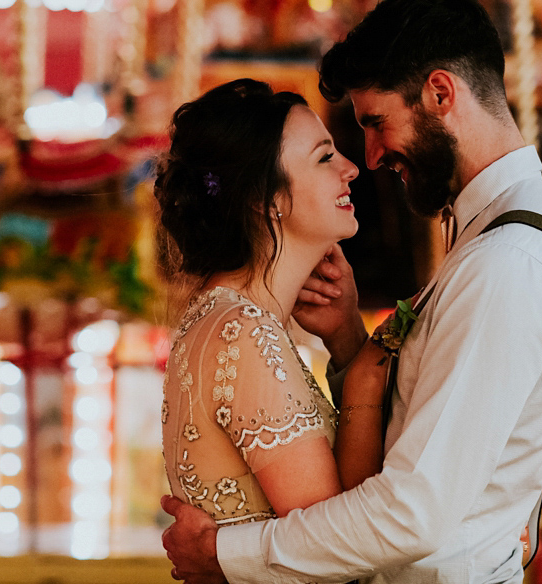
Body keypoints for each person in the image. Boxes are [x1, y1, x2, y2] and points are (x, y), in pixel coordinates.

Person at [161, 0, 542, 584]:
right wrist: (348, 344)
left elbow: (412, 512)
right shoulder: (486, 242)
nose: (366, 159)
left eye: (376, 122)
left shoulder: (510, 262)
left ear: (440, 94)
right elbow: (417, 443)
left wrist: (225, 556)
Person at [156, 80, 392, 534]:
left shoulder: (233, 318)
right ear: (264, 200)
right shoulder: (242, 333)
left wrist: (346, 338)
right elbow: (332, 548)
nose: (351, 169)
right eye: (325, 157)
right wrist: (365, 373)